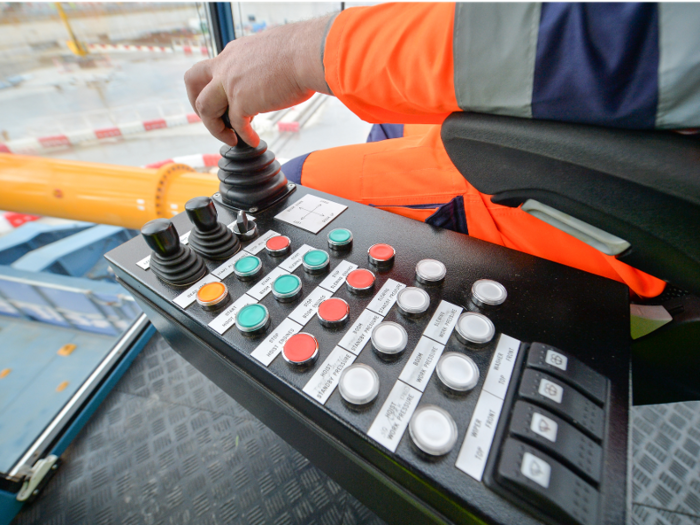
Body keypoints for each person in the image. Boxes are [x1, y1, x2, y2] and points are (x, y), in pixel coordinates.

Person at [184, 2, 700, 299]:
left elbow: (591, 42)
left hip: (587, 182)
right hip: (581, 123)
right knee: (389, 122)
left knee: (299, 193)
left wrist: (303, 53)